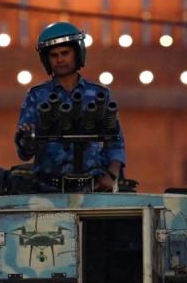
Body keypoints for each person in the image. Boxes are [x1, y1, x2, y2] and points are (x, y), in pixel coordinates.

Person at [15, 21, 125, 192]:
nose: (60, 59)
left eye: (65, 53)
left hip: (93, 188)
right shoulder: (36, 96)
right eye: (54, 55)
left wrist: (111, 175)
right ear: (46, 59)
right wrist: (29, 141)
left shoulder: (99, 95)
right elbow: (24, 152)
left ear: (77, 53)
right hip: (48, 190)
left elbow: (115, 141)